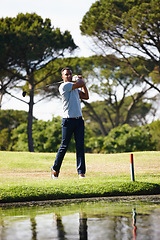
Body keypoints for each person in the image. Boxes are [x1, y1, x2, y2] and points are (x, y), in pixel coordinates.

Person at [51, 67, 89, 179]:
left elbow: (86, 96)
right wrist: (81, 80)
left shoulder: (75, 89)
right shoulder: (64, 86)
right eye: (66, 74)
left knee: (80, 147)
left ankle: (81, 173)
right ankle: (55, 169)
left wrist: (83, 84)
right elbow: (80, 83)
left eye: (70, 74)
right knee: (64, 146)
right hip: (68, 121)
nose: (69, 76)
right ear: (62, 77)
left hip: (79, 121)